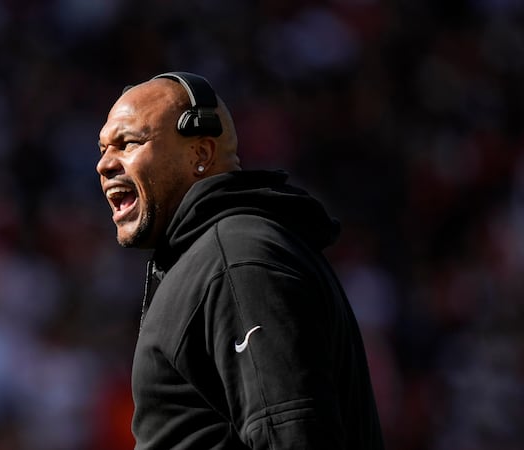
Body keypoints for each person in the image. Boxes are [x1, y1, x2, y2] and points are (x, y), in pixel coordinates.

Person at [96, 71, 385, 449]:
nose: (104, 165)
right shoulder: (214, 255)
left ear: (200, 154)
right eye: (103, 149)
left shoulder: (236, 258)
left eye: (128, 143)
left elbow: (293, 436)